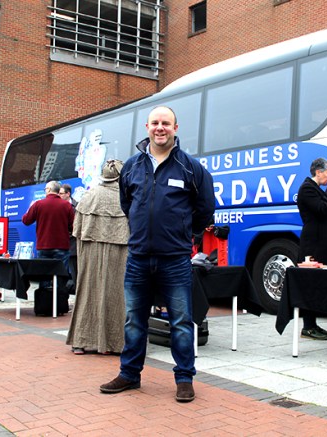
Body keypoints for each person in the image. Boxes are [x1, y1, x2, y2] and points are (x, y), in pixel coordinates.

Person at [100, 106, 215, 403]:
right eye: (155, 123)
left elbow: (205, 209)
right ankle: (129, 374)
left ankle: (184, 378)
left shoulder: (191, 167)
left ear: (176, 127)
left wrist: (183, 231)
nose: (160, 128)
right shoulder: (132, 167)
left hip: (175, 258)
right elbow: (128, 204)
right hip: (138, 257)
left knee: (180, 320)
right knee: (134, 320)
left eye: (166, 123)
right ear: (147, 127)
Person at [66, 160, 129, 355]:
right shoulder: (127, 198)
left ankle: (81, 340)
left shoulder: (89, 196)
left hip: (90, 252)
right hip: (120, 252)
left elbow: (77, 230)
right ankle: (118, 342)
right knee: (118, 295)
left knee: (87, 291)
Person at [296, 158, 327, 340]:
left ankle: (313, 324)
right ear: (318, 172)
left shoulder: (317, 189)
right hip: (313, 245)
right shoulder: (307, 188)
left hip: (323, 243)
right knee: (310, 285)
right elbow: (322, 209)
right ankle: (307, 326)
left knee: (320, 286)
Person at [22, 180, 75, 311]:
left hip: (43, 246)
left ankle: (45, 306)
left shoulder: (38, 204)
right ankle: (60, 304)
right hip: (62, 247)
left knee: (44, 275)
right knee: (61, 275)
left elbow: (26, 220)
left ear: (48, 190)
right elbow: (73, 226)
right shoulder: (66, 206)